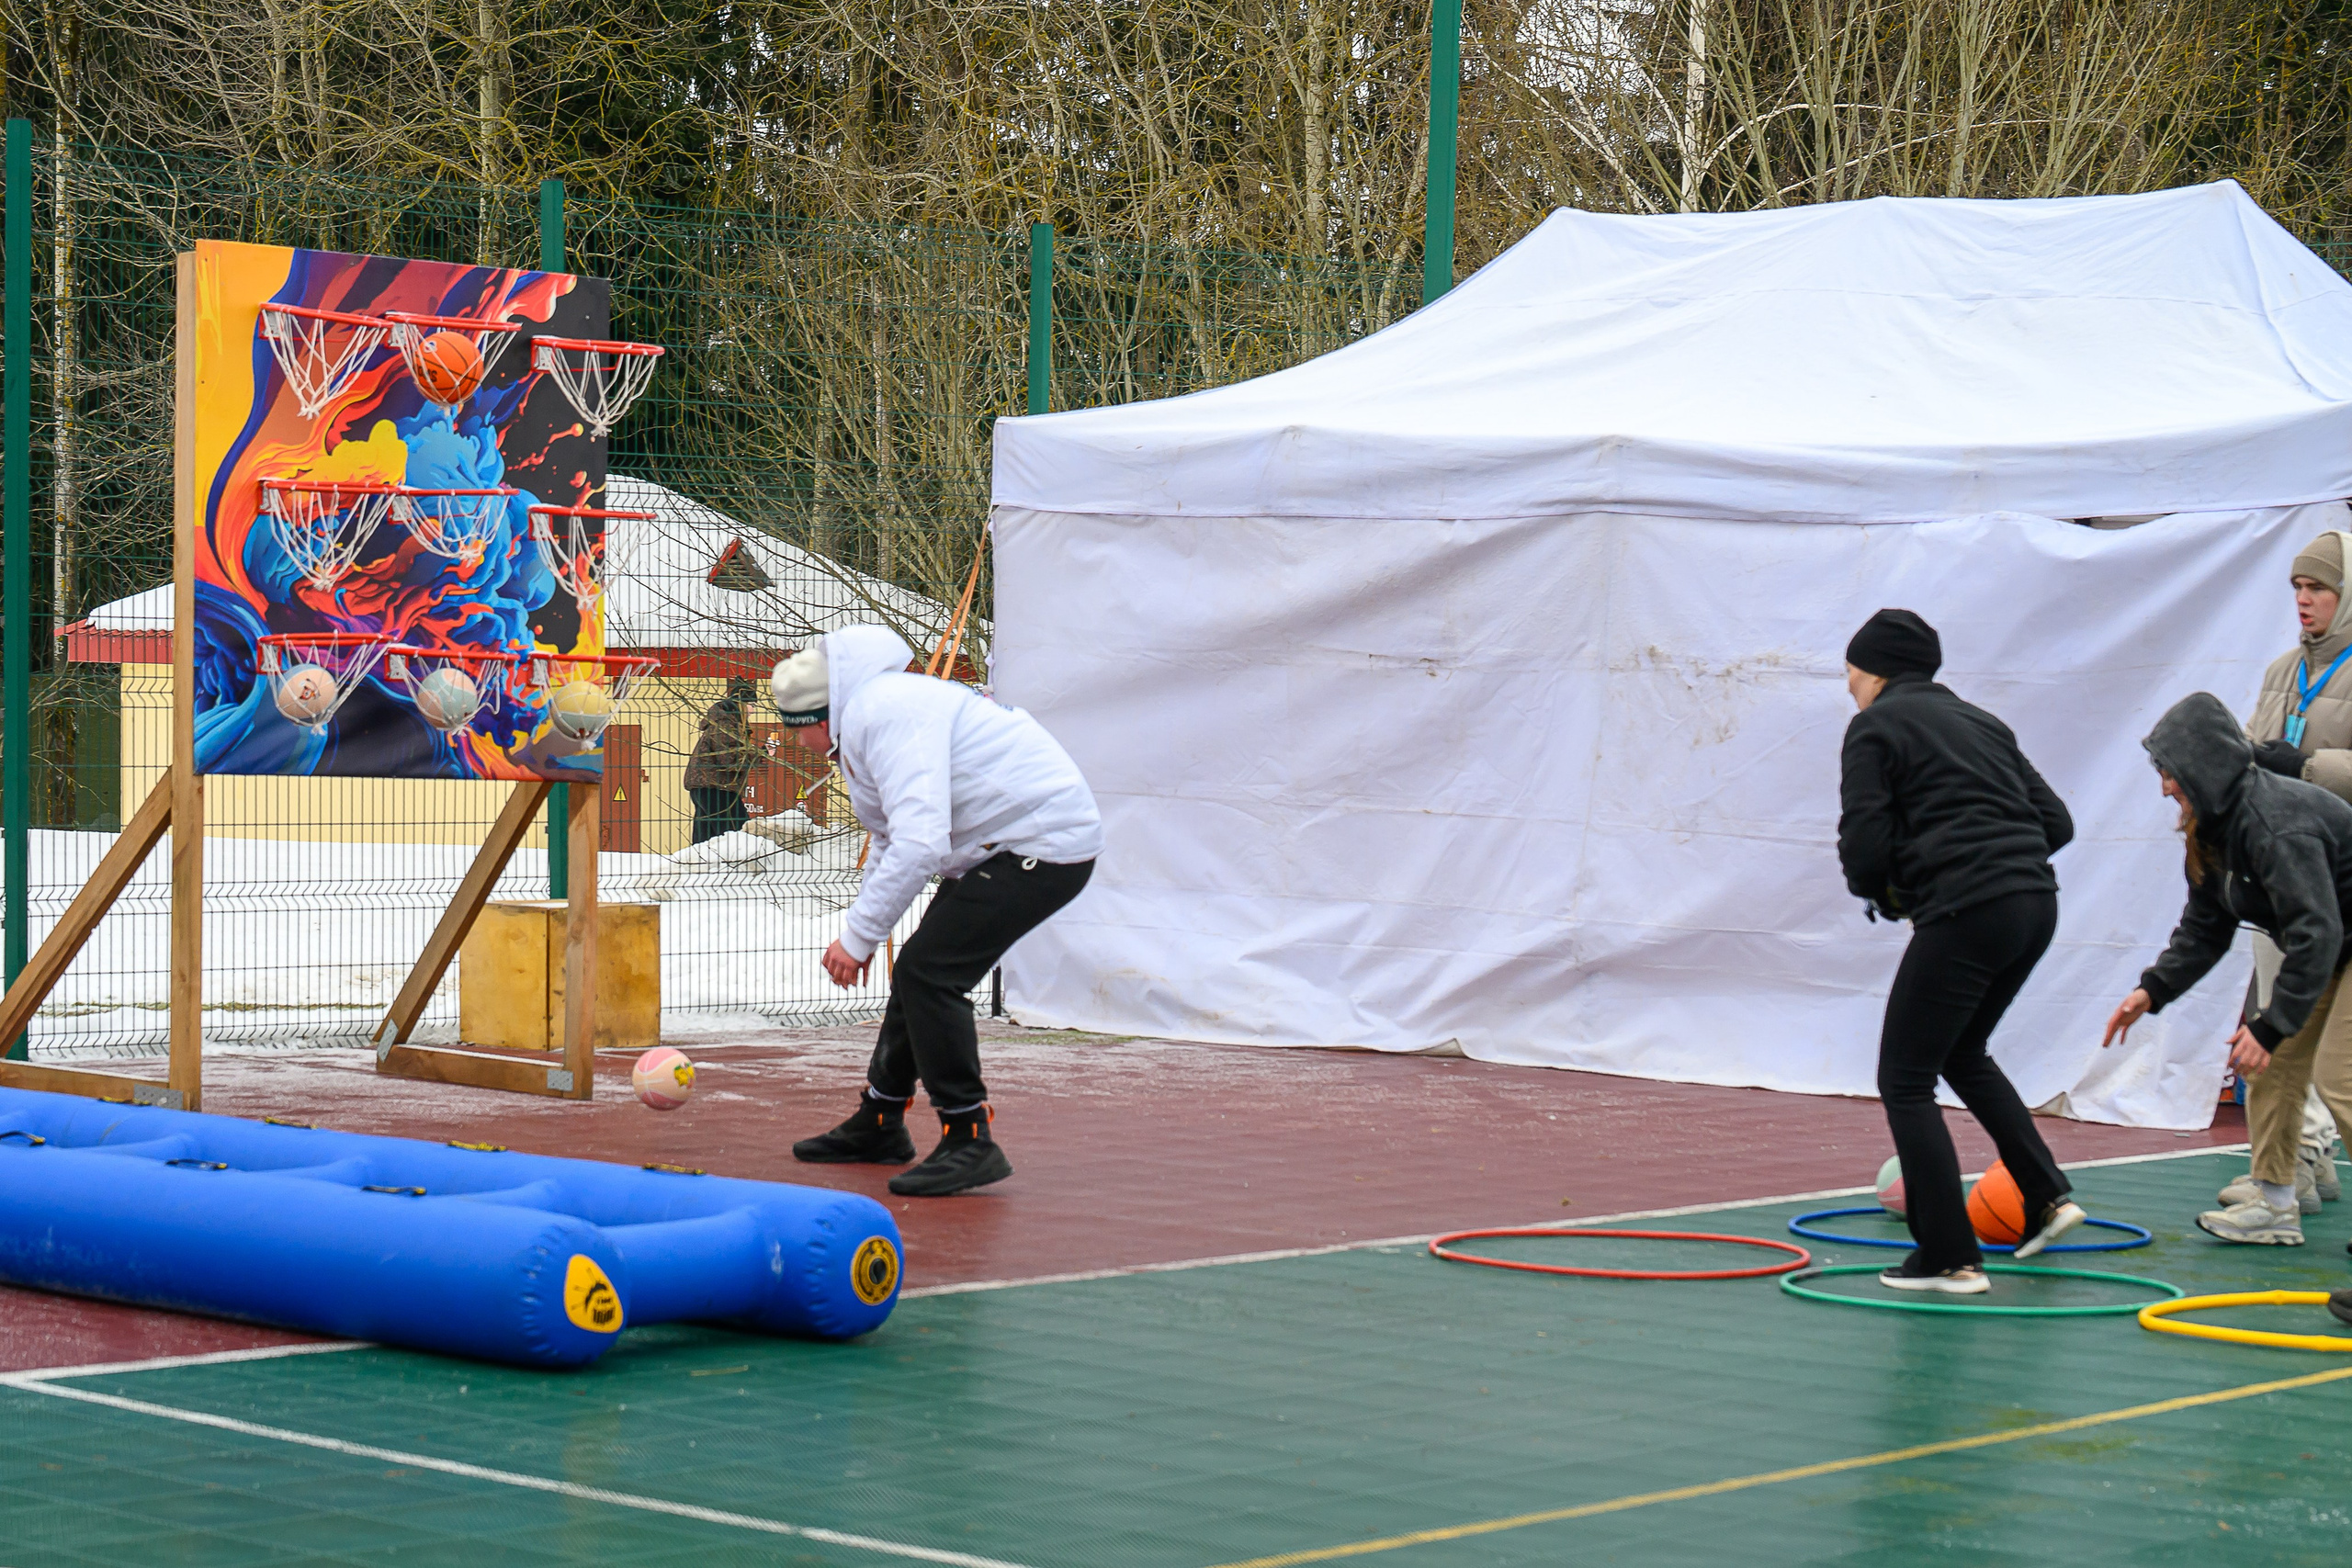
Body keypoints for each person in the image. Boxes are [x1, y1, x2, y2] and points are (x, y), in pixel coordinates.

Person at [779, 625, 1102, 1196]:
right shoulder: (870, 714)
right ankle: (880, 1122)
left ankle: (969, 1138)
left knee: (930, 973)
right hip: (1002, 844)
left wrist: (858, 939)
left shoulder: (882, 714)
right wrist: (863, 930)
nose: (793, 745)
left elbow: (919, 841)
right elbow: (887, 837)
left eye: (792, 731)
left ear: (817, 719)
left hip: (1044, 844)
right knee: (920, 969)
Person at [1838, 608, 2086, 1293]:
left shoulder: (1875, 726)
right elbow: (2056, 821)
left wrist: (1891, 891)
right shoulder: (1983, 722)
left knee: (1905, 1078)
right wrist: (2000, 864)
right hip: (2036, 905)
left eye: (1852, 670)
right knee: (1962, 1051)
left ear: (1876, 669)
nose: (1849, 684)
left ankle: (1949, 1255)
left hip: (1968, 911)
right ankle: (2046, 1194)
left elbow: (1862, 841)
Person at [2103, 691, 2352, 1250]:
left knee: (2340, 1076)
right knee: (2266, 1061)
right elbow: (2207, 922)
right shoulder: (2214, 825)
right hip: (2334, 939)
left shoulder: (2275, 823)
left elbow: (2318, 931)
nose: (2164, 786)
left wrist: (2270, 1024)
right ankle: (2275, 1203)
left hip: (2337, 937)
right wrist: (2153, 988)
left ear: (2204, 769)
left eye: (2170, 773)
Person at [2220, 529, 2352, 1230]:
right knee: (2274, 1036)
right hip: (2289, 880)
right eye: (2298, 587)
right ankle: (2284, 1180)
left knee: (2335, 1066)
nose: (2305, 600)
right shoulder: (2281, 670)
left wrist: (2302, 766)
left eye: (2320, 588)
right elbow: (2251, 750)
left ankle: (2308, 1153)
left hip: (2344, 883)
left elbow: (2299, 763)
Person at [684, 677, 759, 843]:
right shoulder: (726, 725)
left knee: (706, 842)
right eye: (752, 705)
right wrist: (758, 755)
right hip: (717, 789)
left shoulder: (723, 723)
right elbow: (730, 759)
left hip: (706, 788)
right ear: (741, 704)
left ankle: (702, 868)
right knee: (737, 838)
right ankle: (737, 868)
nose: (753, 711)